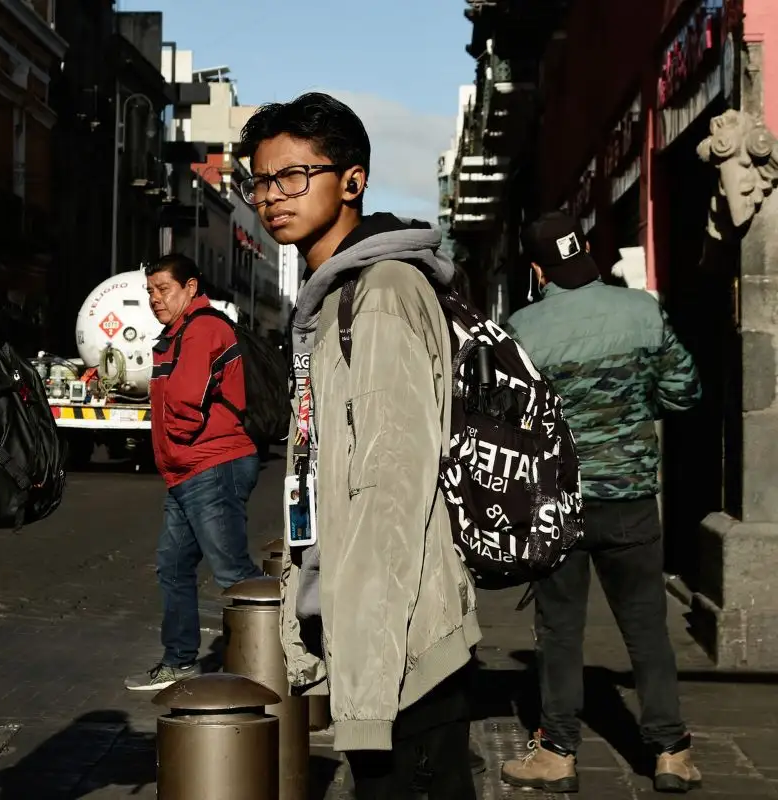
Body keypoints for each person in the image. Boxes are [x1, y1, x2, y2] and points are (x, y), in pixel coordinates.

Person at [240, 92, 481, 798]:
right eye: (260, 181)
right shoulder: (334, 299)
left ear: (352, 180)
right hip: (378, 638)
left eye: (293, 176)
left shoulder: (380, 294)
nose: (272, 196)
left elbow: (390, 487)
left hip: (406, 649)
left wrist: (369, 693)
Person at [500, 212, 703, 794]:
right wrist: (634, 418)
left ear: (538, 269)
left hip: (558, 504)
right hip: (631, 500)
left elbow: (511, 421)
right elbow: (685, 392)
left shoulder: (522, 327)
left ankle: (558, 752)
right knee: (646, 627)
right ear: (585, 251)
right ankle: (669, 751)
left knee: (559, 629)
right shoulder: (642, 311)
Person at [123, 253, 263, 692]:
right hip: (188, 470)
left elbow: (184, 401)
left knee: (233, 573)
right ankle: (179, 661)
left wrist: (179, 443)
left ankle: (287, 660)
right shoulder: (176, 334)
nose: (154, 299)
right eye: (149, 291)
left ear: (190, 287)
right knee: (173, 565)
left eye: (163, 289)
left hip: (211, 464)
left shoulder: (203, 329)